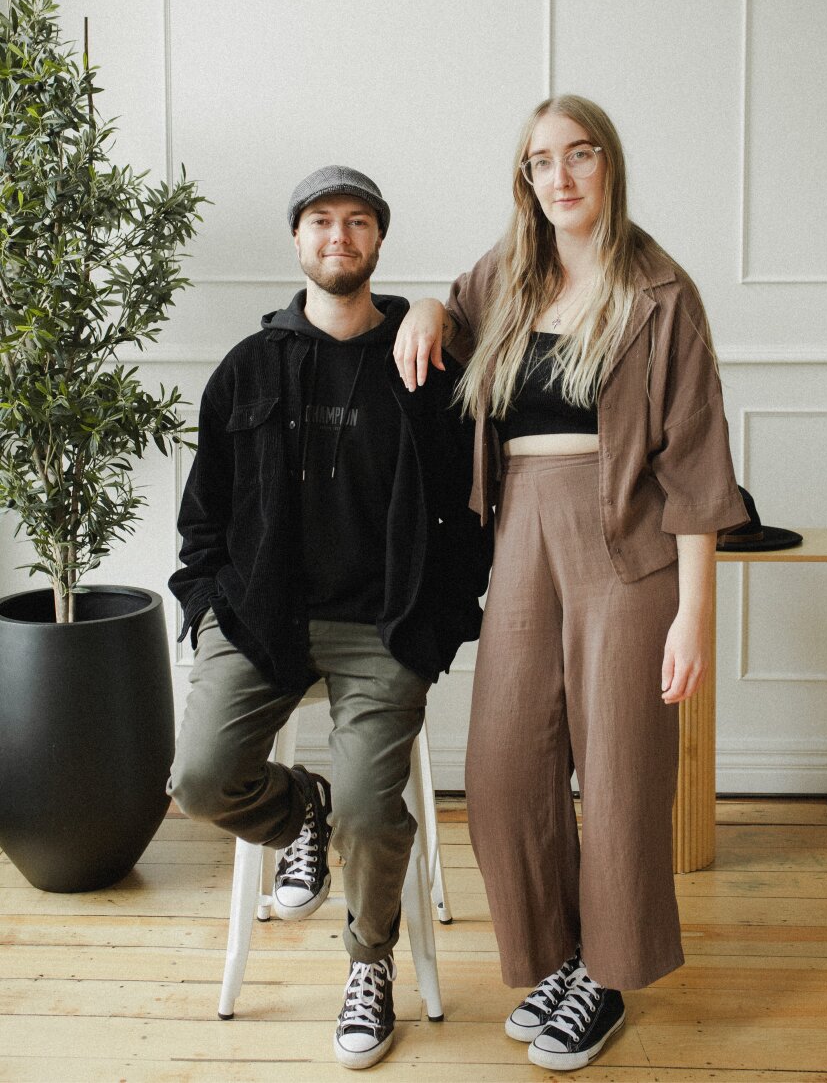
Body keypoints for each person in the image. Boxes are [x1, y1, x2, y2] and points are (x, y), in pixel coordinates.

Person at [393, 95, 747, 1072]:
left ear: (608, 164)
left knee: (624, 768)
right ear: (526, 180)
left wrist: (695, 616)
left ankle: (607, 972)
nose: (559, 177)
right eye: (539, 162)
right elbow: (448, 311)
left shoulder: (661, 291)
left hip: (626, 541)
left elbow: (698, 463)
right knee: (506, 767)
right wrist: (425, 307)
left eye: (578, 155)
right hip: (521, 530)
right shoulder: (508, 272)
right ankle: (554, 953)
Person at [168, 165, 492, 1070]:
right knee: (198, 780)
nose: (339, 236)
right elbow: (203, 519)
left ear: (378, 240)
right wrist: (205, 611)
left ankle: (368, 963)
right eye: (321, 221)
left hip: (382, 625)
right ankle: (297, 814)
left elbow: (470, 520)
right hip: (262, 617)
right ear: (298, 240)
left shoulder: (428, 366)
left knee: (370, 806)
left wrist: (437, 626)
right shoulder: (248, 367)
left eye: (357, 222)